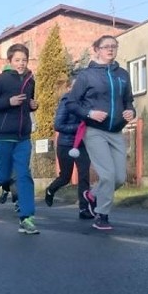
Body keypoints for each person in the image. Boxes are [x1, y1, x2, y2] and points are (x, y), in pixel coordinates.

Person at [66, 35, 136, 230]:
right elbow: (71, 103)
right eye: (106, 47)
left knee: (120, 178)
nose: (110, 50)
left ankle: (93, 195)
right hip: (94, 130)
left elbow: (129, 100)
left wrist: (131, 111)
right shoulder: (86, 76)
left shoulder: (122, 74)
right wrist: (89, 113)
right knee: (107, 175)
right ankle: (101, 216)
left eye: (114, 46)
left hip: (116, 131)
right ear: (96, 49)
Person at [0, 43, 40, 235]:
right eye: (17, 60)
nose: (21, 63)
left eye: (24, 60)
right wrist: (9, 102)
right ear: (9, 61)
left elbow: (28, 104)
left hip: (23, 135)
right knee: (4, 174)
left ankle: (27, 218)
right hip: (4, 134)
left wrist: (32, 105)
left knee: (23, 175)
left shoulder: (30, 80)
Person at [45, 76, 94, 219]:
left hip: (82, 144)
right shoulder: (66, 102)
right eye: (75, 86)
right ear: (68, 88)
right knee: (65, 177)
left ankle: (83, 209)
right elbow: (58, 125)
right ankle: (50, 190)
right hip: (66, 144)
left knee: (84, 176)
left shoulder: (86, 103)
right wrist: (79, 128)